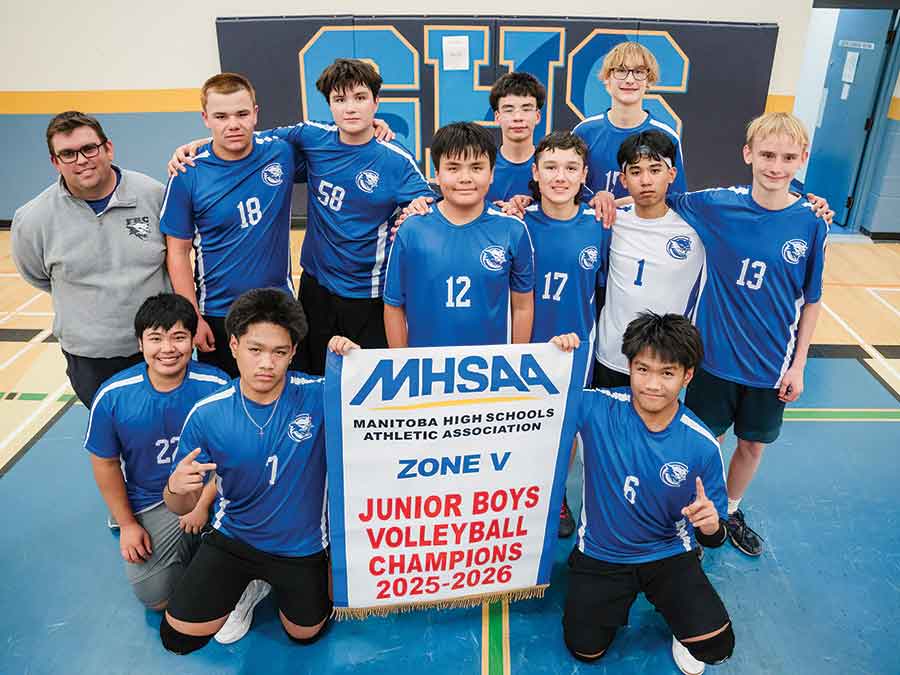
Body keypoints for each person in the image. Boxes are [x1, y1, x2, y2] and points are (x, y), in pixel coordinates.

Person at [160, 288, 356, 654]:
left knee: (305, 635)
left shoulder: (320, 395)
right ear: (233, 345)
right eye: (255, 350)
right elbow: (180, 505)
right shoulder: (207, 414)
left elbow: (379, 401)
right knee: (178, 639)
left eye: (279, 352)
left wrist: (357, 362)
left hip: (302, 547)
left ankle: (279, 582)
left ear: (294, 352)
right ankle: (248, 586)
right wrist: (175, 487)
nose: (267, 363)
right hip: (235, 537)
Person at [667, 112, 828, 557]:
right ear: (748, 155)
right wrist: (599, 201)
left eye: (788, 157)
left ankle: (731, 510)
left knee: (752, 445)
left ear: (802, 160)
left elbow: (811, 301)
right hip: (715, 358)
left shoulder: (813, 223)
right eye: (767, 155)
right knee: (705, 444)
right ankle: (697, 517)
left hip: (771, 367)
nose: (776, 166)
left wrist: (798, 366)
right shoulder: (718, 204)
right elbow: (661, 196)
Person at [553, 313, 733, 674]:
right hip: (602, 554)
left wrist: (710, 525)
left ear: (687, 375)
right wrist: (556, 356)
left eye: (667, 373)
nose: (652, 384)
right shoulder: (595, 406)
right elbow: (540, 397)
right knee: (585, 651)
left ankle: (678, 617)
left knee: (716, 647)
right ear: (630, 368)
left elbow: (715, 538)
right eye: (643, 369)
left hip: (667, 553)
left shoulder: (701, 444)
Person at [263, 58, 434, 372]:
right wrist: (201, 143)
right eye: (340, 100)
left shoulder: (396, 160)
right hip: (316, 285)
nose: (350, 108)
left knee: (367, 379)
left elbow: (431, 204)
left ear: (376, 102)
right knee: (314, 372)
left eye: (360, 98)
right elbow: (249, 142)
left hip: (368, 294)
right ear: (329, 105)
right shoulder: (311, 137)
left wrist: (417, 210)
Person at [11, 111, 170, 408]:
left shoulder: (154, 195)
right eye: (68, 154)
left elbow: (176, 258)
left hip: (159, 350)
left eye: (89, 148)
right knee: (112, 446)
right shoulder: (33, 219)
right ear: (55, 162)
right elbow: (37, 275)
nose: (81, 160)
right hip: (90, 359)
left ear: (107, 148)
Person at [84, 293, 227, 609]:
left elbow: (232, 457)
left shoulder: (217, 385)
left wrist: (201, 503)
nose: (167, 349)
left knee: (240, 560)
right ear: (140, 344)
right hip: (151, 499)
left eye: (178, 337)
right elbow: (105, 463)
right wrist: (128, 525)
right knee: (157, 599)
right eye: (156, 338)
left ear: (192, 340)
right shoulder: (113, 396)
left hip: (213, 493)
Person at [160, 73, 307, 377]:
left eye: (241, 114)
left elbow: (340, 143)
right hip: (218, 314)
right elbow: (177, 253)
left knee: (280, 393)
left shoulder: (280, 152)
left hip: (278, 304)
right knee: (226, 402)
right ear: (205, 118)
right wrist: (192, 318)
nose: (233, 124)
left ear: (256, 113)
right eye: (221, 116)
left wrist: (373, 127)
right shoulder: (188, 173)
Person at [525, 131, 609, 537]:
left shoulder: (601, 225)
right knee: (522, 429)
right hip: (522, 349)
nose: (561, 177)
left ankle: (556, 496)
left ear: (584, 176)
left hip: (576, 349)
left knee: (566, 428)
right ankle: (518, 497)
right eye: (552, 167)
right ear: (535, 173)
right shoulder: (515, 223)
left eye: (571, 168)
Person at [383, 122, 534, 348]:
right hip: (426, 369)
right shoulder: (411, 228)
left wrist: (513, 365)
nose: (465, 178)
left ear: (492, 173)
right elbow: (394, 306)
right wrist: (403, 366)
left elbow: (522, 306)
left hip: (489, 369)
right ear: (437, 175)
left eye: (476, 167)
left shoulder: (513, 229)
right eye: (453, 168)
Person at [593, 130, 705, 389]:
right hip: (610, 356)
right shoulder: (611, 219)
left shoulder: (696, 228)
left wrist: (811, 205)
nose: (646, 180)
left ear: (672, 174)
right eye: (635, 171)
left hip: (663, 362)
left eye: (655, 170)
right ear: (623, 179)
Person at [573, 41, 687, 203]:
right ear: (607, 79)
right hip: (594, 225)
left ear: (649, 80)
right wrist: (596, 200)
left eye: (639, 72)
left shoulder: (667, 136)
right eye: (621, 71)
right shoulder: (583, 132)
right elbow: (570, 190)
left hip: (644, 227)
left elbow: (676, 200)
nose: (630, 80)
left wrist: (625, 205)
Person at [486, 71, 546, 204]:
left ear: (537, 116)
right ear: (497, 117)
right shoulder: (482, 167)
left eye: (526, 109)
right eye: (508, 109)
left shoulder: (552, 167)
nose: (518, 117)